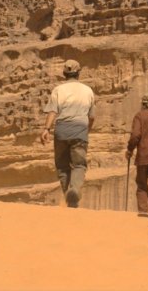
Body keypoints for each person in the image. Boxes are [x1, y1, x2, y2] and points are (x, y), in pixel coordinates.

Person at [40, 59, 95, 208]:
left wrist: (46, 129)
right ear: (79, 73)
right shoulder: (88, 90)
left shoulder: (58, 90)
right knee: (79, 165)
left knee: (63, 166)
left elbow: (53, 111)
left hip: (62, 131)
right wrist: (86, 130)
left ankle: (69, 197)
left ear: (64, 73)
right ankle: (75, 189)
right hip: (80, 130)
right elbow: (92, 117)